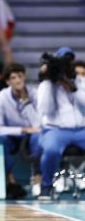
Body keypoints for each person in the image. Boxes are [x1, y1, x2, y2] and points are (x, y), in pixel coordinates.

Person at [37, 47, 85, 199]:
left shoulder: (81, 81)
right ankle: (46, 186)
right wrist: (52, 84)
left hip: (82, 129)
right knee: (50, 150)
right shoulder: (46, 85)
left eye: (69, 62)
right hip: (56, 131)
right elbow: (47, 110)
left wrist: (73, 89)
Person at [0, 63, 42, 197]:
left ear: (24, 77)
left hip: (33, 135)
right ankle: (10, 182)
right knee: (0, 141)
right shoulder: (1, 97)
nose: (18, 80)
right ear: (8, 82)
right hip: (13, 134)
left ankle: (37, 179)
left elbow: (38, 125)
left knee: (39, 138)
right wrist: (22, 130)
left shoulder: (36, 94)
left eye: (20, 76)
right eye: (13, 78)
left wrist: (26, 102)